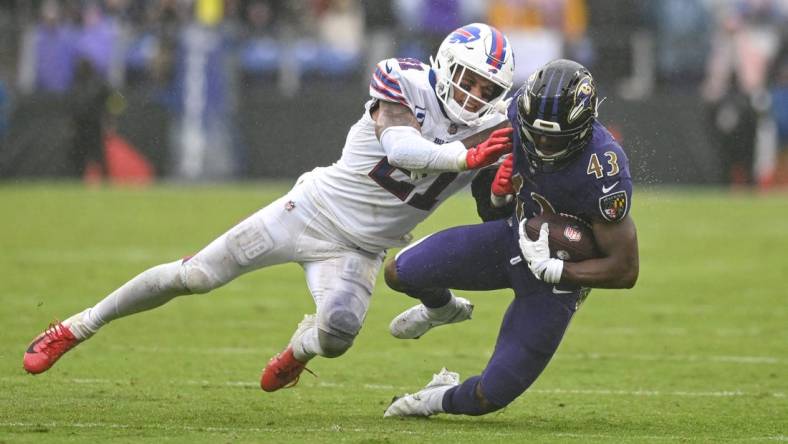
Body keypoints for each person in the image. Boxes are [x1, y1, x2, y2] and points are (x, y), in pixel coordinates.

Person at [22, 23, 516, 392]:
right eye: (467, 80)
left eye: (486, 90)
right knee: (194, 276)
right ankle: (77, 325)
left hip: (362, 250)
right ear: (444, 63)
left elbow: (490, 207)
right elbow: (400, 148)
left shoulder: (492, 131)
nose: (473, 96)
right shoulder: (404, 82)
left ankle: (299, 348)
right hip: (309, 212)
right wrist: (466, 156)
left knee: (338, 335)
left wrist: (499, 183)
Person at [382, 59, 639, 418]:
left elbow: (625, 269)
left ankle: (433, 398)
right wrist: (498, 196)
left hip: (555, 284)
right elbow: (491, 211)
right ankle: (441, 309)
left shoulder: (604, 167)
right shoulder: (518, 112)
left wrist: (559, 273)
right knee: (399, 272)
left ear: (584, 126)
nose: (545, 143)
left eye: (556, 137)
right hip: (510, 240)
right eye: (538, 133)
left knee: (488, 396)